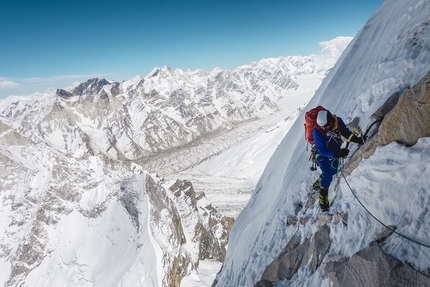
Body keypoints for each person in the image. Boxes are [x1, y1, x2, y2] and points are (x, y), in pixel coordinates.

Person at [312, 109, 364, 211]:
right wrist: (337, 153)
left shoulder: (338, 122)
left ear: (331, 122)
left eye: (325, 126)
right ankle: (323, 197)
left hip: (334, 150)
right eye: (321, 126)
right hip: (321, 154)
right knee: (327, 174)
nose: (323, 128)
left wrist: (357, 140)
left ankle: (321, 179)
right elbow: (322, 150)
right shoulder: (317, 131)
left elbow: (346, 133)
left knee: (334, 170)